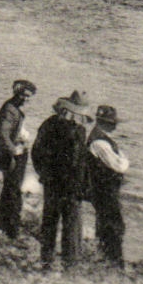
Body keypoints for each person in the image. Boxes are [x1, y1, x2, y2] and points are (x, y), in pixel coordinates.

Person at [30, 89, 92, 269]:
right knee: (71, 225)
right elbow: (78, 162)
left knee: (49, 221)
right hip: (71, 187)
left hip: (52, 183)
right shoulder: (78, 132)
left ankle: (46, 260)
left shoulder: (48, 124)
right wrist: (84, 186)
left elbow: (37, 152)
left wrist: (44, 174)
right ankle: (70, 264)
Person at [0, 79, 38, 240]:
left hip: (18, 152)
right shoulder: (10, 110)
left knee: (12, 189)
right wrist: (14, 152)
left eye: (29, 96)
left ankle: (8, 226)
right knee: (12, 191)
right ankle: (10, 229)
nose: (26, 99)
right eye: (24, 95)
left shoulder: (14, 108)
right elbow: (3, 133)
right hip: (14, 154)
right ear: (17, 93)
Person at [84, 104, 130, 268]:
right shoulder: (100, 142)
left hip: (105, 188)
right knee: (112, 223)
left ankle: (106, 255)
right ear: (103, 122)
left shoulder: (101, 138)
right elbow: (119, 165)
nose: (115, 125)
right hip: (103, 189)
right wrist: (124, 160)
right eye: (112, 122)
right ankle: (112, 259)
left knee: (107, 221)